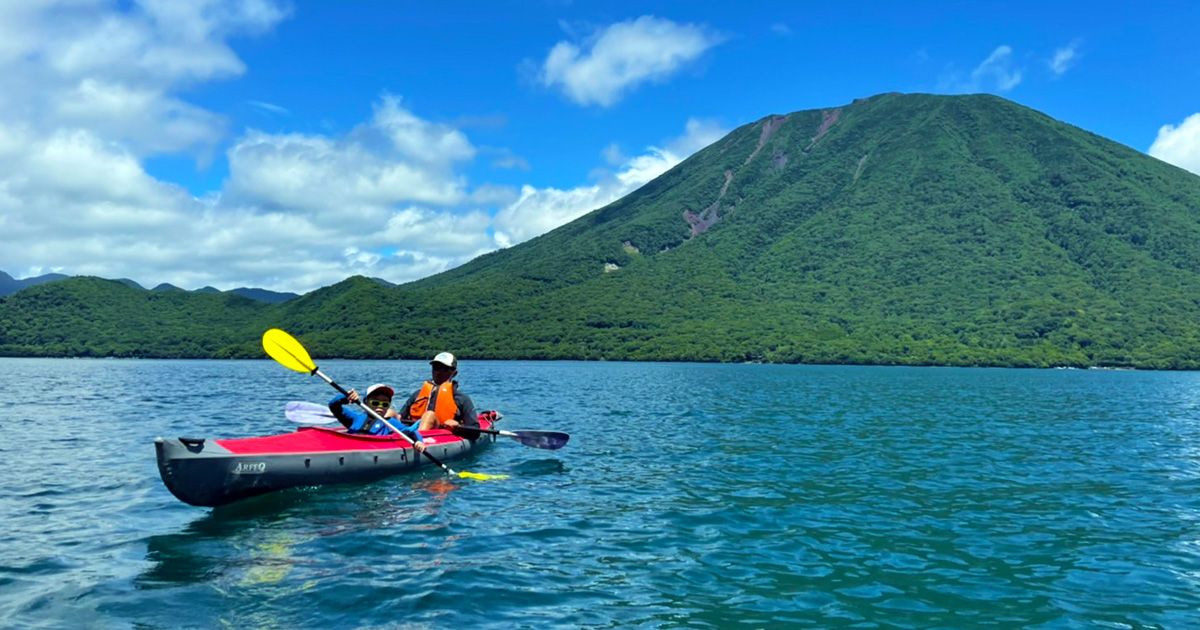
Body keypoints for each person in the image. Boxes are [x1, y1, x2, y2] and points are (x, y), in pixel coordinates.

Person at [399, 352, 479, 432]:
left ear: (454, 373)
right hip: (412, 431)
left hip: (437, 436)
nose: (438, 372)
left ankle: (419, 438)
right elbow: (400, 417)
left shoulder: (461, 399)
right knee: (391, 413)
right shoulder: (417, 395)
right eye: (436, 367)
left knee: (429, 415)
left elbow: (475, 430)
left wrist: (458, 426)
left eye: (444, 369)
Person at [328, 383, 423, 443]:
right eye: (375, 402)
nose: (380, 406)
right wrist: (346, 397)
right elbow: (333, 405)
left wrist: (419, 442)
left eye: (385, 404)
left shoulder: (390, 423)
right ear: (366, 403)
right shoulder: (355, 418)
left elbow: (410, 431)